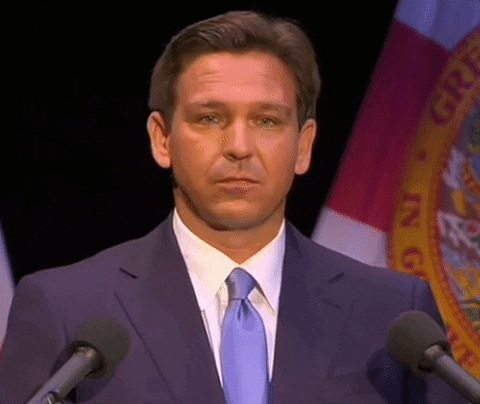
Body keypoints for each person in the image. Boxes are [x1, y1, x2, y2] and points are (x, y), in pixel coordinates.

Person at [0, 10, 468, 404]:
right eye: (210, 118)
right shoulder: (67, 309)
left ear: (304, 146)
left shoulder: (394, 315)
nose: (239, 147)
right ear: (162, 140)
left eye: (267, 121)